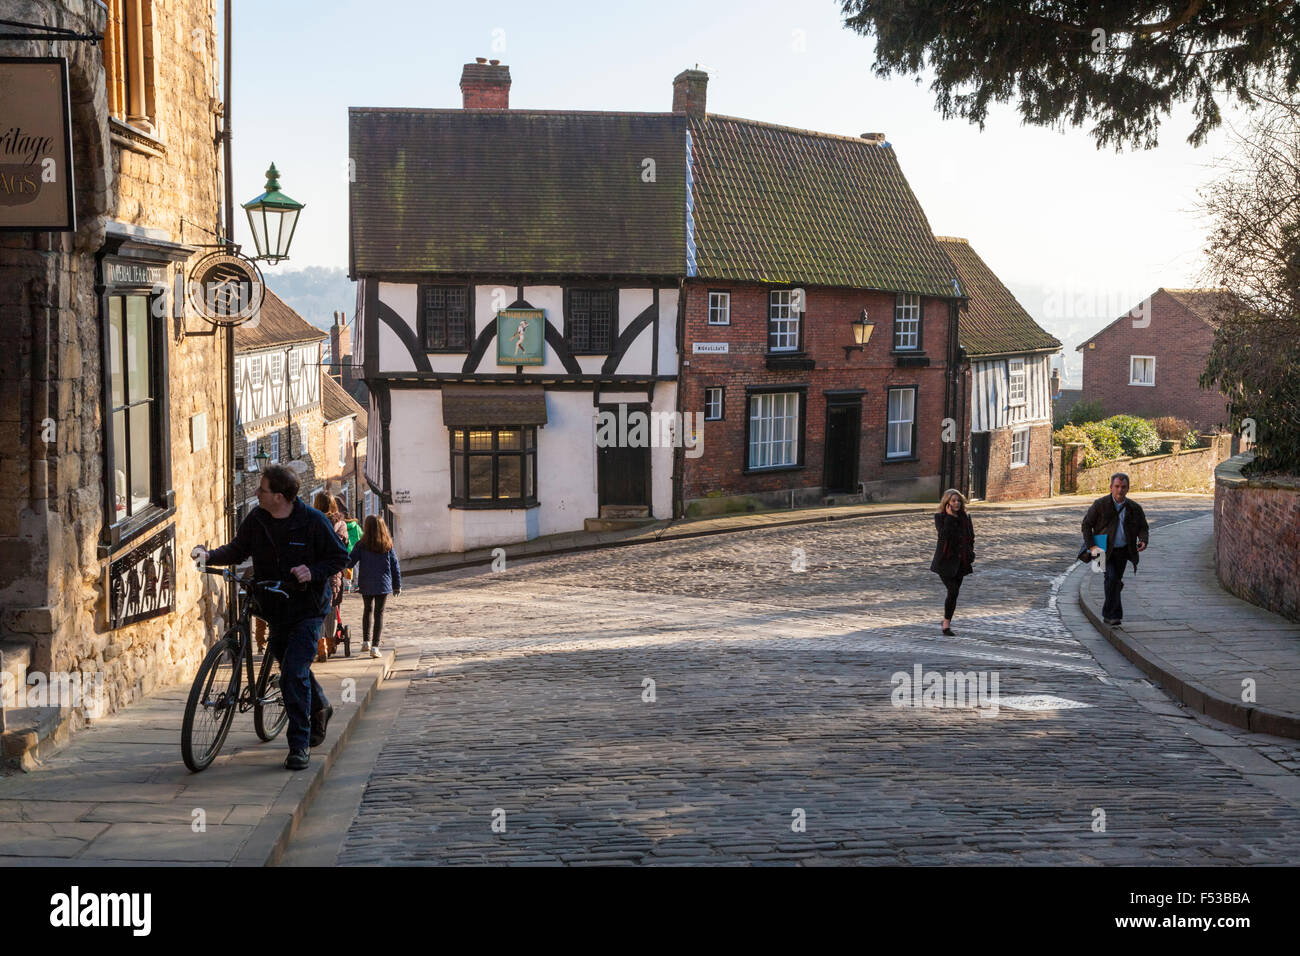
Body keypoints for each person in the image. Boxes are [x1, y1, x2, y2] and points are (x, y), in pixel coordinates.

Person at [192, 465, 348, 770]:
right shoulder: (258, 519)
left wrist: (312, 571)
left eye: (261, 489)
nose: (255, 492)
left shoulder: (312, 521)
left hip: (308, 609)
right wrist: (209, 555)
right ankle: (320, 706)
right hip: (273, 606)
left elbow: (339, 557)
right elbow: (238, 549)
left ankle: (299, 745)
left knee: (292, 671)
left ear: (278, 496)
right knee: (293, 666)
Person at [1082, 472, 1149, 627]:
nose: (1120, 490)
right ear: (1111, 487)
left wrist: (1143, 540)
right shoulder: (1100, 504)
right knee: (1111, 579)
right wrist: (1091, 546)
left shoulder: (1134, 507)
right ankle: (1113, 615)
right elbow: (1086, 525)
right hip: (1101, 548)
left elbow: (1143, 527)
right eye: (1117, 487)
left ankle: (1109, 613)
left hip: (1123, 550)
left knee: (1114, 580)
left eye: (1123, 487)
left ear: (1128, 488)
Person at [347, 515, 401, 659]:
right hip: (383, 583)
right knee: (379, 614)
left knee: (367, 610)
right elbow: (395, 566)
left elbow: (350, 561)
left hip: (366, 582)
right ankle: (375, 647)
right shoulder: (387, 545)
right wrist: (397, 585)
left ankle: (366, 641)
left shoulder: (361, 545)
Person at [929, 488, 975, 636]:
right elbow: (943, 537)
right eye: (953, 501)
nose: (957, 503)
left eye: (958, 501)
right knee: (953, 590)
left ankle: (946, 622)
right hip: (945, 562)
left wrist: (970, 553)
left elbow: (971, 537)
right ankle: (946, 625)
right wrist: (949, 518)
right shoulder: (940, 517)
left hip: (961, 562)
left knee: (954, 594)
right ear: (947, 503)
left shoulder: (966, 517)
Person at [312, 492, 349, 659]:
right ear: (334, 505)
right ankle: (330, 641)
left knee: (318, 610)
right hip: (333, 572)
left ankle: (321, 646)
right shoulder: (340, 524)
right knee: (332, 608)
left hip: (316, 571)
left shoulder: (311, 521)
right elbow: (344, 547)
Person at [341, 503, 363, 591]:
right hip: (356, 549)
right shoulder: (356, 526)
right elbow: (362, 536)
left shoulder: (342, 526)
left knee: (347, 567)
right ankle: (357, 584)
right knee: (356, 567)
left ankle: (347, 585)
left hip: (346, 549)